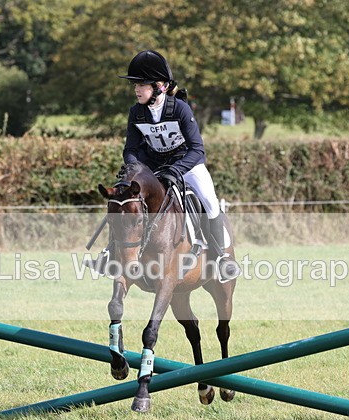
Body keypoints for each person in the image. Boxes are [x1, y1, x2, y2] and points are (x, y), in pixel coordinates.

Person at [88, 49, 240, 282]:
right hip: (152, 169)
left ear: (160, 86)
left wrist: (176, 170)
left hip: (187, 165)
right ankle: (110, 255)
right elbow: (130, 149)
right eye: (135, 85)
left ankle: (222, 258)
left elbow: (197, 149)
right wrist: (134, 169)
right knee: (123, 202)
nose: (136, 89)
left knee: (209, 201)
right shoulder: (136, 112)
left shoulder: (180, 109)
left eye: (142, 85)